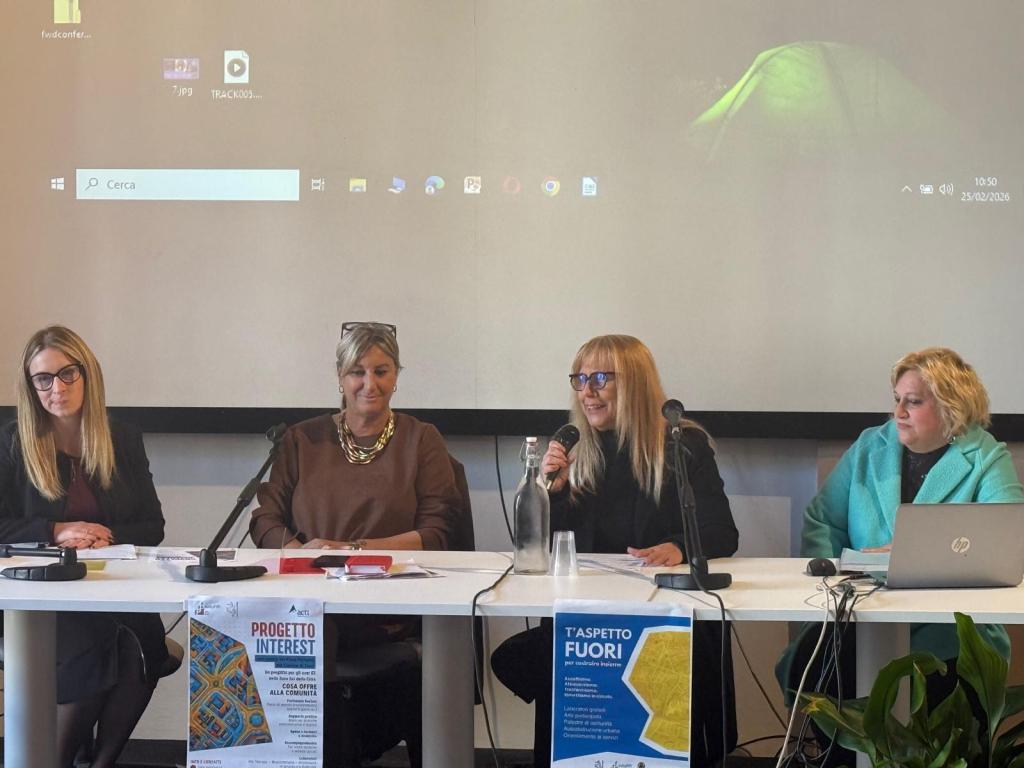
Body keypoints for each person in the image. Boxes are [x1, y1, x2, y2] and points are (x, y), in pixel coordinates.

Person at [491, 334, 740, 767]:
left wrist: (678, 547)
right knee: (518, 658)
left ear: (636, 384)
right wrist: (554, 490)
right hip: (590, 618)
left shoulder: (682, 445)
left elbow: (723, 533)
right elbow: (539, 549)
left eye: (601, 378)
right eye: (580, 378)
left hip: (663, 619)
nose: (586, 391)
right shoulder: (573, 450)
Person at [778, 346, 1024, 765]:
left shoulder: (985, 457)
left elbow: (1006, 536)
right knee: (814, 667)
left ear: (951, 405)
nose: (899, 412)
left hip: (948, 628)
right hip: (860, 617)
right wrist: (832, 579)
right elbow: (822, 520)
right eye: (896, 399)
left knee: (945, 709)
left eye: (913, 401)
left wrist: (913, 553)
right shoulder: (869, 447)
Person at [249, 321, 461, 765]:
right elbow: (265, 518)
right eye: (357, 372)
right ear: (340, 377)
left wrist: (355, 552)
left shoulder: (422, 439)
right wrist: (301, 550)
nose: (370, 384)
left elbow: (438, 534)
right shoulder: (301, 439)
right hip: (310, 602)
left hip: (388, 607)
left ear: (397, 376)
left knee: (314, 649)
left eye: (382, 371)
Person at [0, 325, 169, 768]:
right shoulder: (12, 445)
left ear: (87, 374)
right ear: (31, 386)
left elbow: (153, 525)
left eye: (67, 374)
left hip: (110, 585)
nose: (56, 388)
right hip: (40, 596)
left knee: (142, 650)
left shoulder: (123, 439)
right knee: (95, 648)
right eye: (43, 379)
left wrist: (105, 536)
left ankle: (100, 763)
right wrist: (54, 530)